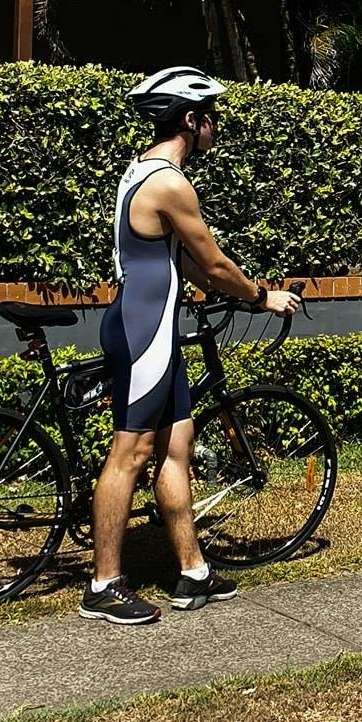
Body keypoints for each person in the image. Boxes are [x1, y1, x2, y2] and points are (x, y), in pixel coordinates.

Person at [81, 66, 300, 625]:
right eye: (212, 119)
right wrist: (260, 297)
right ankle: (104, 585)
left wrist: (207, 289)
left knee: (176, 446)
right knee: (129, 455)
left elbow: (178, 262)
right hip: (145, 329)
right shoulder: (171, 183)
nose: (216, 129)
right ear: (191, 120)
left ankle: (191, 571)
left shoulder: (140, 171)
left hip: (149, 322)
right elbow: (214, 262)